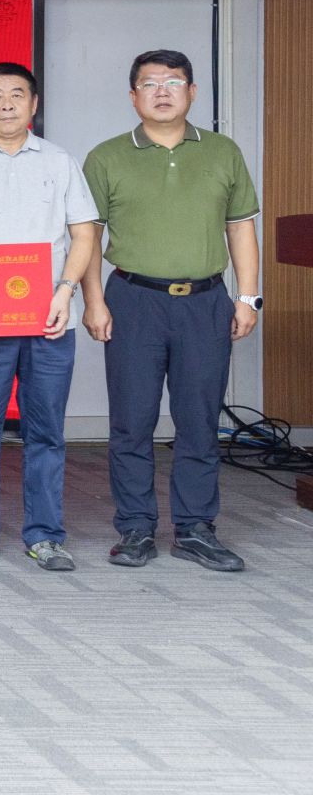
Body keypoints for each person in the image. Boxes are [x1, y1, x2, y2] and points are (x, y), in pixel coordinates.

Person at [82, 48, 261, 573]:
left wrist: (247, 296)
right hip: (132, 300)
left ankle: (196, 529)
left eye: (174, 82)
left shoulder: (222, 152)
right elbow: (87, 237)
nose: (162, 92)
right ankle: (136, 528)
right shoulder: (107, 157)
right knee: (132, 421)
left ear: (192, 92)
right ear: (133, 95)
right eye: (150, 83)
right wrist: (93, 300)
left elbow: (240, 228)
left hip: (206, 302)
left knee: (199, 420)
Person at [0, 63, 98, 572]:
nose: (6, 104)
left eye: (17, 94)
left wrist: (66, 291)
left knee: (46, 430)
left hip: (49, 320)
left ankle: (46, 535)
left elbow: (84, 232)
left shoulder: (59, 161)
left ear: (33, 104)